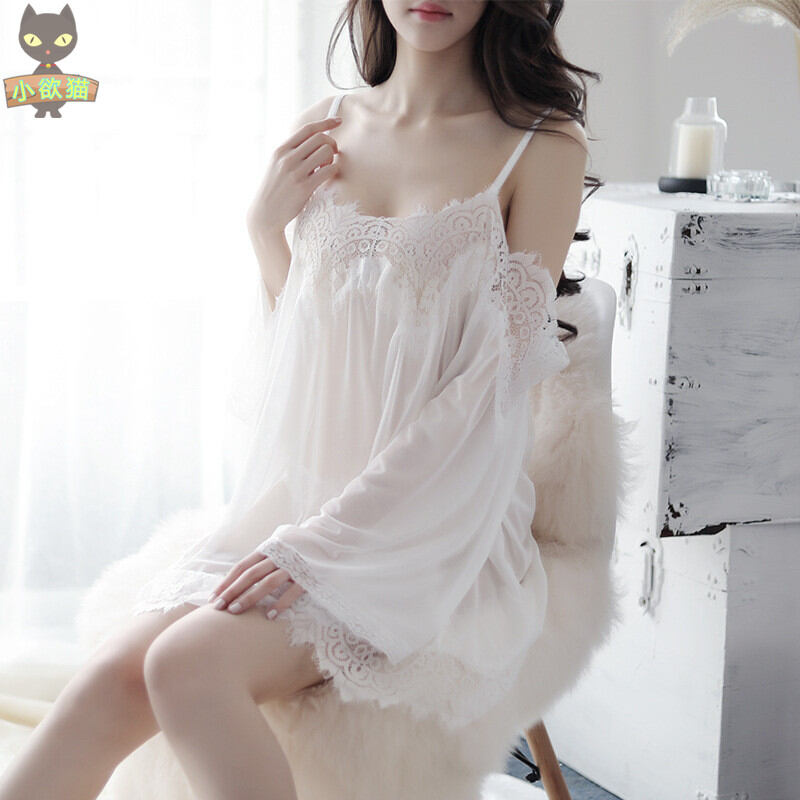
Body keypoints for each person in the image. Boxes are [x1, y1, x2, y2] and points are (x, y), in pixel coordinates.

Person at [0, 1, 595, 798]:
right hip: (304, 496)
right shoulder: (326, 126)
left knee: (186, 666)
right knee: (108, 681)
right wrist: (263, 233)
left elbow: (489, 390)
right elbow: (309, 361)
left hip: (433, 520)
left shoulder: (541, 145)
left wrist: (323, 544)